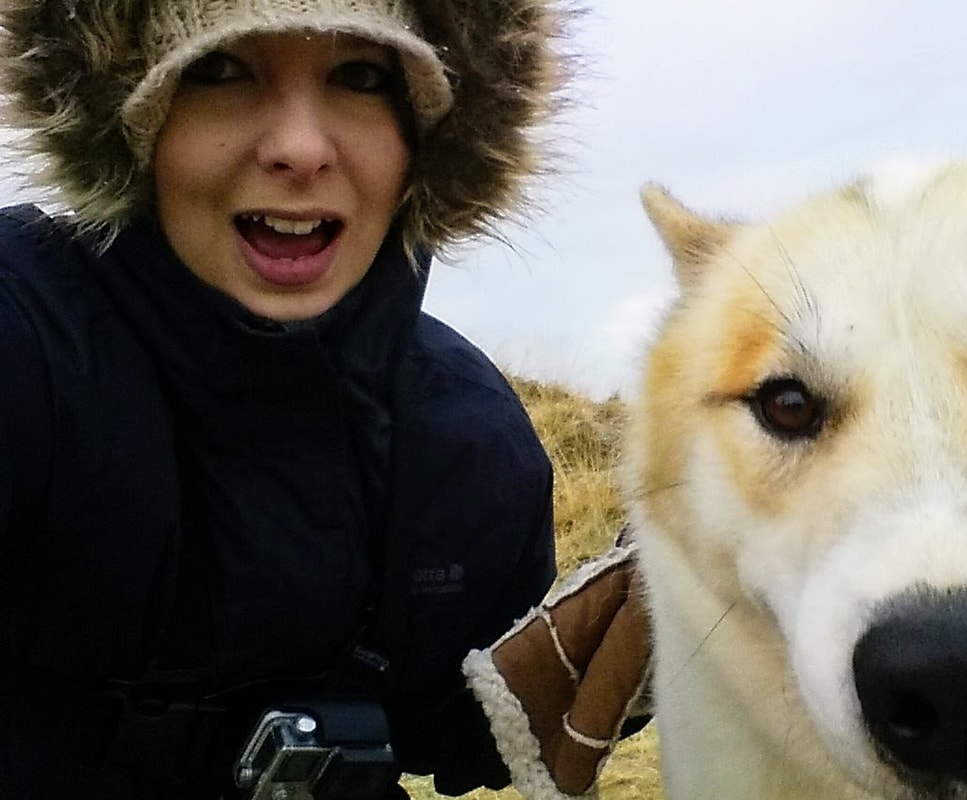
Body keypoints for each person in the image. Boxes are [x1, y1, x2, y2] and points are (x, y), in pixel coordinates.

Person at [0, 1, 578, 797]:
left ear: (427, 140)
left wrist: (661, 642)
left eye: (361, 76)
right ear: (134, 122)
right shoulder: (24, 347)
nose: (301, 149)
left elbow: (458, 735)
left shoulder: (474, 445)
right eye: (221, 69)